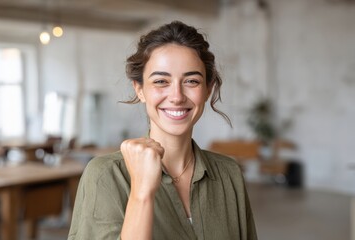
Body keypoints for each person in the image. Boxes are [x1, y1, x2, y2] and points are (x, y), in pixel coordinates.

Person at [68, 21, 257, 240]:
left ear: (207, 89)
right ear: (139, 90)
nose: (177, 96)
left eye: (191, 81)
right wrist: (141, 192)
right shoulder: (105, 175)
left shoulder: (229, 173)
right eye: (161, 81)